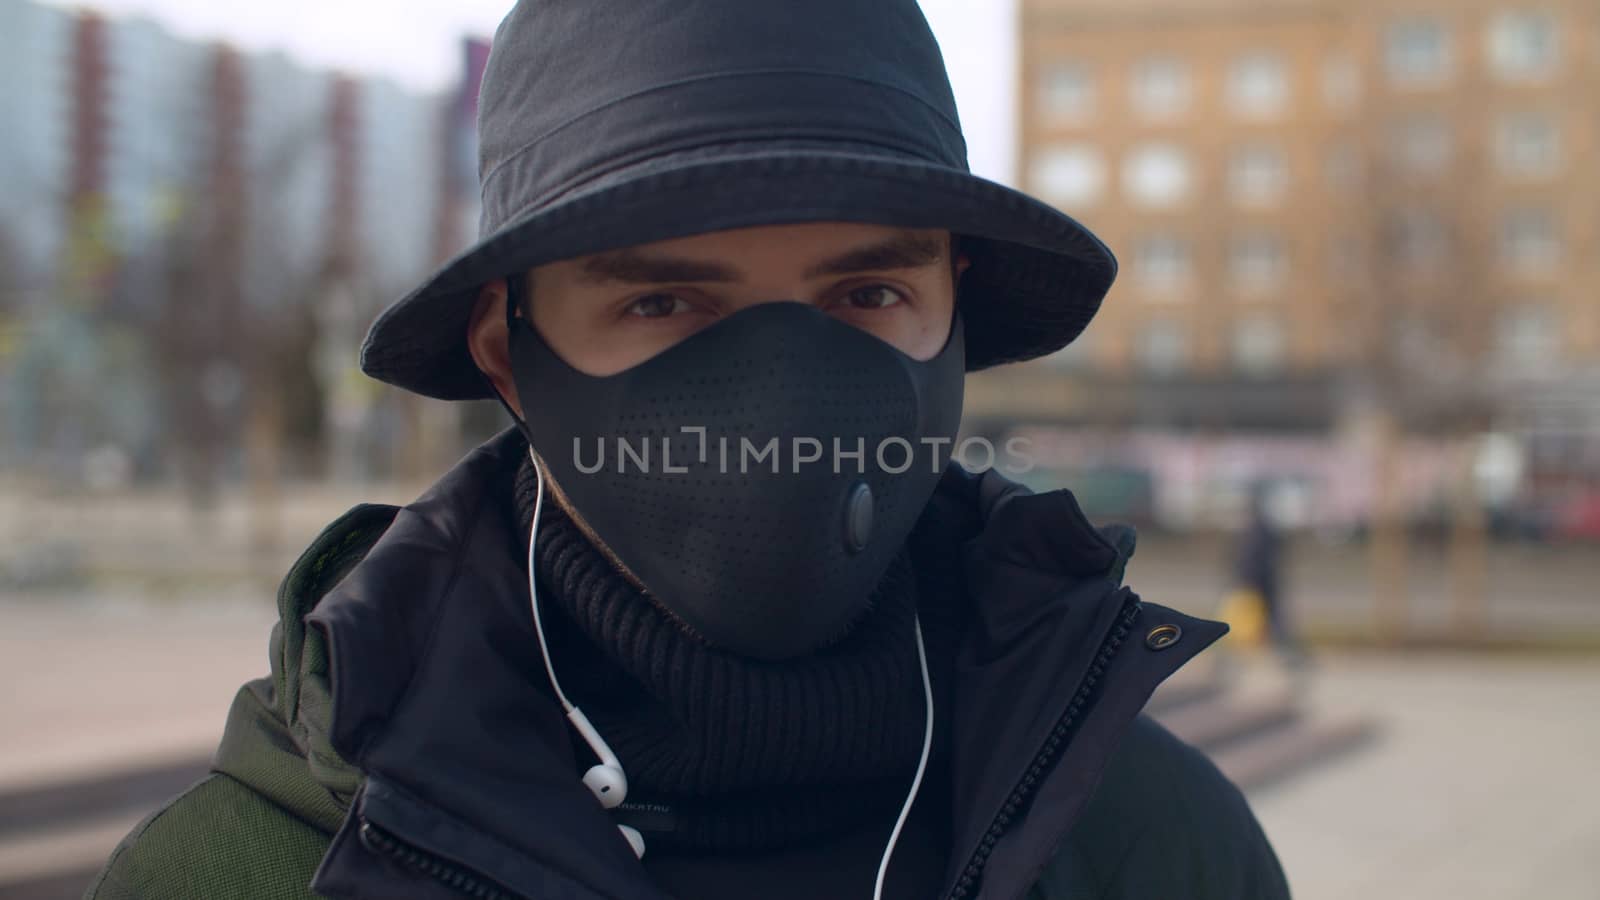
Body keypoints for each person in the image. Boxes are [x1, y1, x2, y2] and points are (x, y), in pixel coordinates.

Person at [86, 1, 1290, 897]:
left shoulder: (1154, 845)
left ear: (953, 318)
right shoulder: (251, 874)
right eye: (663, 303)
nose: (784, 405)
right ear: (509, 352)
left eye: (867, 292)